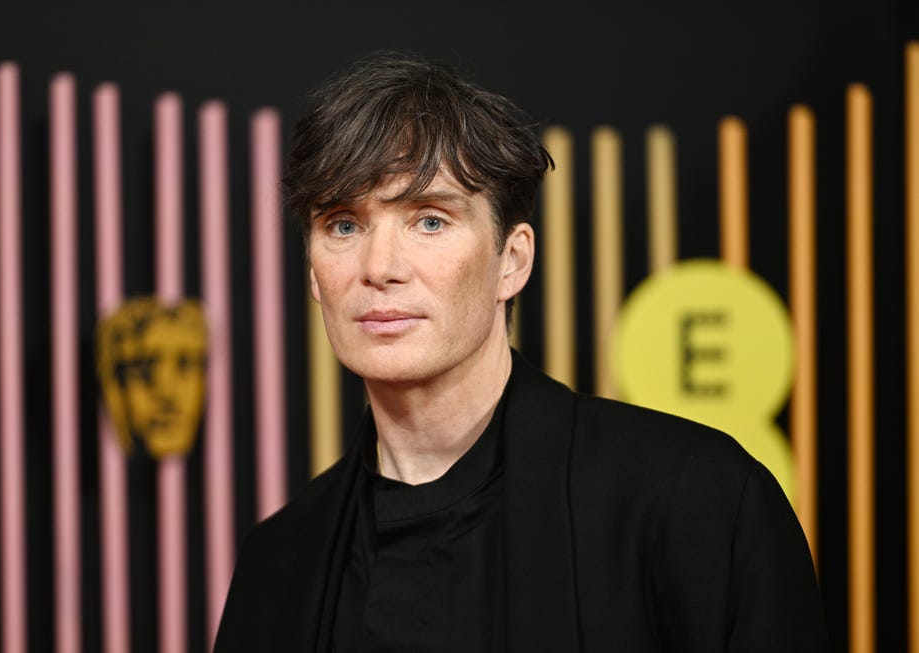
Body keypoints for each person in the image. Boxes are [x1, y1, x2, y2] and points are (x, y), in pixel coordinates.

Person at [214, 52, 829, 652]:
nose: (380, 268)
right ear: (315, 275)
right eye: (344, 225)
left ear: (512, 261)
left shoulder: (697, 500)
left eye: (429, 219)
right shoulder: (278, 564)